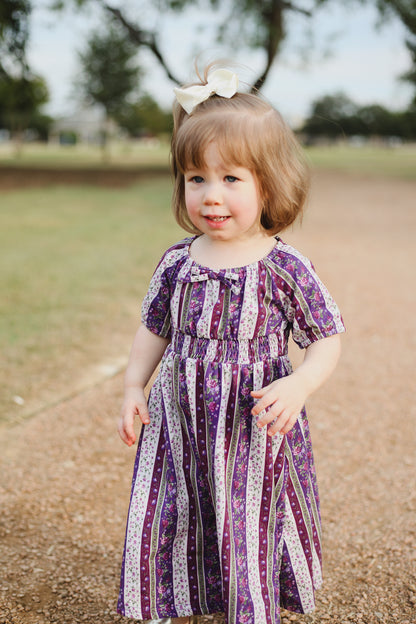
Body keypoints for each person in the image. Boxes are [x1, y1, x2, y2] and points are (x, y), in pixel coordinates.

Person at [117, 66, 345, 624]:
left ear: (269, 183)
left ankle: (251, 602)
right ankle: (171, 594)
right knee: (175, 506)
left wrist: (299, 383)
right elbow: (155, 328)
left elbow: (327, 338)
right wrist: (132, 386)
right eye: (196, 179)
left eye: (231, 180)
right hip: (181, 420)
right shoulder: (178, 260)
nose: (211, 196)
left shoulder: (284, 267)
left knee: (246, 515)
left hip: (251, 423)